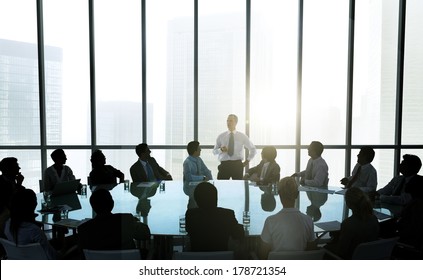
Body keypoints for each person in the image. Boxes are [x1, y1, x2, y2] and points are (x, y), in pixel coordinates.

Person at [259, 177, 316, 259]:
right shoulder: (308, 220)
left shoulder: (271, 221)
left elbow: (263, 254)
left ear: (279, 194)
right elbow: (311, 250)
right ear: (297, 194)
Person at [77, 188, 151, 251]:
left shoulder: (84, 229)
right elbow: (146, 234)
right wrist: (135, 221)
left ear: (93, 207)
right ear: (112, 204)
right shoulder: (126, 220)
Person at [185, 182, 244, 251]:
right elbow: (236, 234)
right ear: (216, 198)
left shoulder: (191, 215)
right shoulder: (227, 215)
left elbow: (188, 230)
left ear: (196, 200)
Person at [324, 188, 380, 259]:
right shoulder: (374, 219)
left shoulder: (348, 223)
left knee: (325, 248)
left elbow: (342, 251)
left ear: (348, 204)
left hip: (350, 257)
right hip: (368, 256)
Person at [3, 188, 58, 259]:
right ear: (33, 206)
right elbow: (52, 257)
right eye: (35, 201)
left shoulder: (8, 224)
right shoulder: (34, 231)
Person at [213, 114, 257, 180]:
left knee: (239, 187)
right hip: (224, 165)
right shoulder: (221, 136)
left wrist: (247, 161)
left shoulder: (242, 136)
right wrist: (221, 150)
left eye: (231, 121)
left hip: (237, 165)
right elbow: (214, 152)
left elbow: (253, 149)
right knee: (221, 187)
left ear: (236, 122)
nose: (228, 123)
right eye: (227, 121)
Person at [0, 157, 25, 237]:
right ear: (8, 169)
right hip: (4, 218)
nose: (19, 168)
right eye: (16, 166)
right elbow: (10, 201)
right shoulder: (1, 182)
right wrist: (19, 184)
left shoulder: (11, 179)